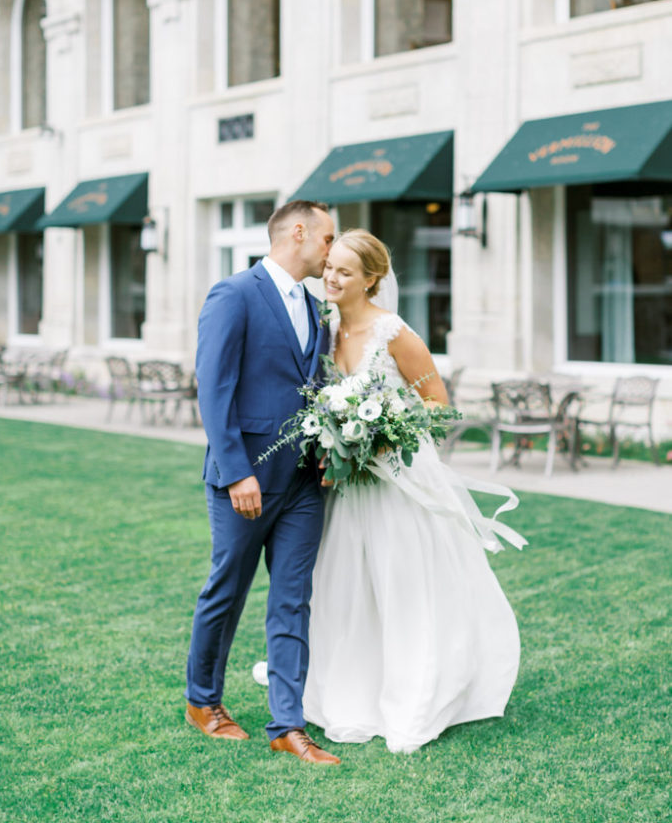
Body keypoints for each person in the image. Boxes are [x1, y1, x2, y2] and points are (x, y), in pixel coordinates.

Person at [302, 229, 526, 754]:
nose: (332, 277)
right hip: (349, 486)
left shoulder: (394, 331)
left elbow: (439, 404)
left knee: (402, 581)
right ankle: (351, 686)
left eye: (345, 272)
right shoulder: (324, 328)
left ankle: (417, 689)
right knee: (349, 584)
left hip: (398, 482)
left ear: (372, 279)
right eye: (329, 266)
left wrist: (383, 432)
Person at [185, 199, 342, 765]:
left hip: (306, 481)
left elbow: (321, 385)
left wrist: (333, 449)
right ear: (297, 232)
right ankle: (203, 702)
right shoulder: (234, 294)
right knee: (226, 590)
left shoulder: (320, 308)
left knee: (293, 599)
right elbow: (214, 388)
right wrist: (236, 473)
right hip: (245, 479)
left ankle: (288, 724)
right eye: (327, 240)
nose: (331, 252)